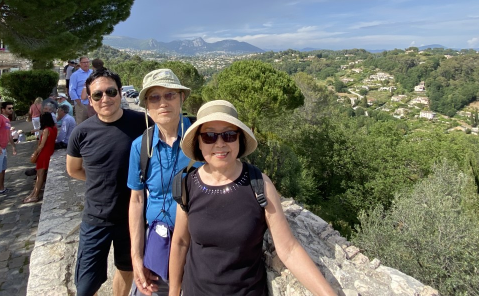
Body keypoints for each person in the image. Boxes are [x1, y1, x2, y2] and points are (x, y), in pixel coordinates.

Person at [169, 100, 338, 296]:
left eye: (229, 134)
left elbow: (289, 249)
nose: (220, 143)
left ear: (239, 139)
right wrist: (173, 291)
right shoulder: (187, 185)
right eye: (209, 136)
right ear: (199, 142)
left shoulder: (259, 185)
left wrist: (328, 294)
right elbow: (180, 242)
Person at [66, 69, 151, 296]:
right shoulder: (81, 133)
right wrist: (99, 179)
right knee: (85, 285)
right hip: (95, 219)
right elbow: (73, 169)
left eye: (111, 91)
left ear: (120, 93)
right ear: (90, 99)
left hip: (132, 218)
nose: (105, 98)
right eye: (97, 95)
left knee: (126, 269)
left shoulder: (143, 124)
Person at [127, 69, 194, 296]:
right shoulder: (140, 146)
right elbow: (136, 200)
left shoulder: (202, 139)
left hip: (195, 244)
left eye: (170, 95)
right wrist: (137, 258)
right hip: (156, 239)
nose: (162, 103)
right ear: (146, 105)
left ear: (181, 98)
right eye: (154, 97)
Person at [23, 112, 57, 203]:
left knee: (39, 175)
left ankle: (35, 195)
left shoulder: (46, 130)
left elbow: (42, 145)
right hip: (49, 152)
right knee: (39, 175)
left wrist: (35, 153)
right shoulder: (54, 128)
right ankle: (33, 193)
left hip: (44, 154)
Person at [69, 56, 93, 124]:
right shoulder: (75, 75)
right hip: (82, 104)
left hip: (93, 104)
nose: (86, 64)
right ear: (80, 63)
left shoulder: (92, 73)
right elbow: (71, 90)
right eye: (84, 62)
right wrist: (79, 102)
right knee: (81, 124)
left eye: (87, 62)